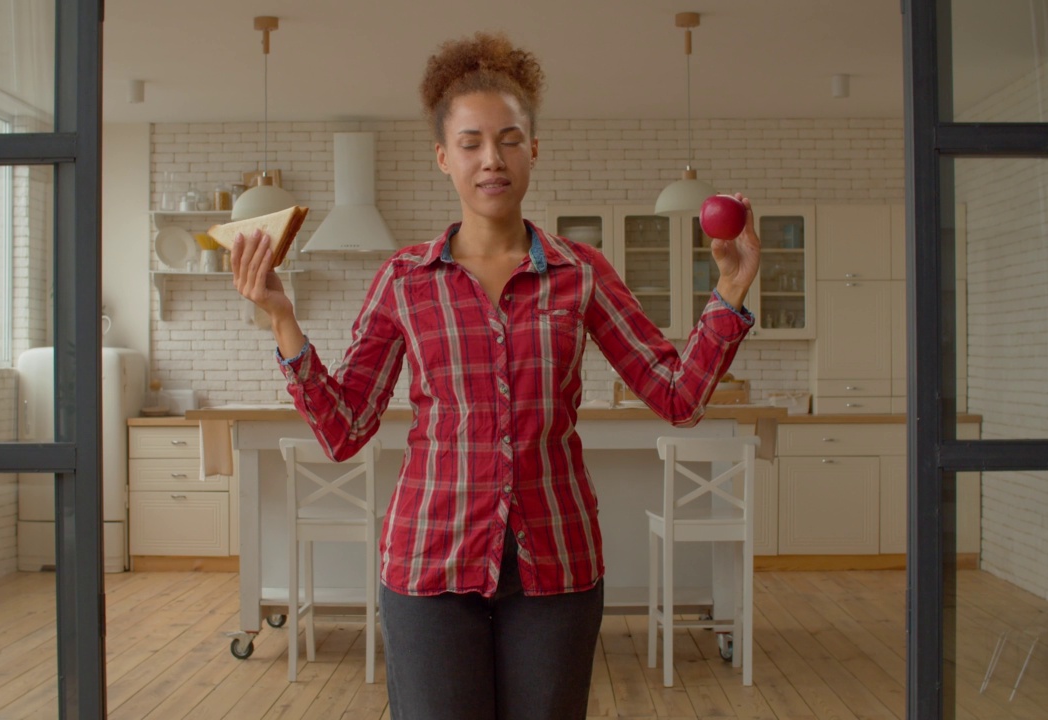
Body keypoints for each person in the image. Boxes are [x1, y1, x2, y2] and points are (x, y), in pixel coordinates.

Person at [230, 31, 761, 720]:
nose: (492, 159)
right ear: (443, 157)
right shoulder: (403, 282)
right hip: (428, 563)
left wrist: (732, 286)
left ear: (533, 149)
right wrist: (281, 320)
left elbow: (678, 396)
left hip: (557, 565)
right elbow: (344, 430)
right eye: (472, 142)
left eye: (510, 139)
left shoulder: (583, 273)